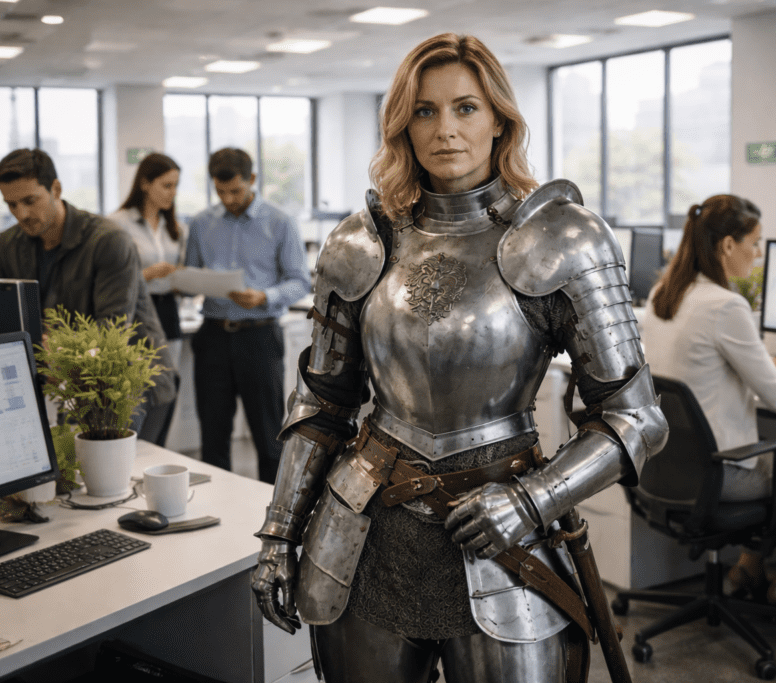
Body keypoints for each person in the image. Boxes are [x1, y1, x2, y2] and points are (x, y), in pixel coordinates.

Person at [250, 33, 667, 683]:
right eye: (424, 110)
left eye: (465, 108)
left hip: (504, 529)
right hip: (364, 527)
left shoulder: (562, 239)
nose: (446, 129)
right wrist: (279, 535)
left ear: (500, 118)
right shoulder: (360, 243)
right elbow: (322, 401)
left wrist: (533, 500)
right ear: (401, 127)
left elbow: (634, 417)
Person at [641, 194, 776, 614]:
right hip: (722, 475)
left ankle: (746, 569)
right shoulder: (725, 305)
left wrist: (759, 364)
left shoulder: (664, 294)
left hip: (664, 468)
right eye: (754, 243)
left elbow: (696, 366)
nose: (758, 254)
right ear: (727, 246)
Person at [0, 148, 177, 436]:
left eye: (30, 201)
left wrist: (52, 345)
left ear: (56, 189)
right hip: (68, 383)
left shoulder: (109, 240)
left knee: (117, 478)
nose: (21, 214)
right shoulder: (9, 244)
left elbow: (111, 332)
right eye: (11, 205)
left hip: (128, 385)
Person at [184, 148, 309, 484]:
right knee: (213, 436)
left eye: (236, 191)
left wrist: (265, 296)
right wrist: (184, 280)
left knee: (268, 436)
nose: (229, 199)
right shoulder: (200, 223)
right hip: (212, 337)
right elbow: (190, 275)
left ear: (252, 180)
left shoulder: (281, 222)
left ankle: (272, 519)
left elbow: (300, 281)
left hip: (260, 336)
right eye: (221, 192)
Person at [109, 153, 186, 446]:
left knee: (166, 391)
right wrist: (147, 274)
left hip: (169, 312)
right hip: (137, 315)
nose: (172, 193)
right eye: (166, 185)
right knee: (137, 395)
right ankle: (132, 457)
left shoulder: (175, 228)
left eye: (176, 186)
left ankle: (159, 453)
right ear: (145, 183)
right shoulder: (118, 224)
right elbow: (112, 280)